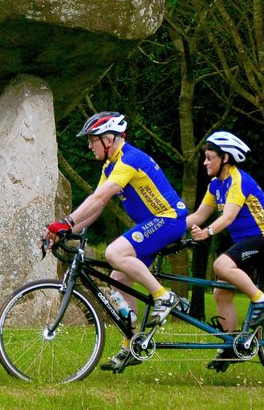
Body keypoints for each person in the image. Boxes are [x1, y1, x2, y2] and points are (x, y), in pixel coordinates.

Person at [43, 111, 189, 371]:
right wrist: (66, 230)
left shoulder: (129, 160)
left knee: (114, 252)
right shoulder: (110, 166)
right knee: (118, 282)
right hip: (154, 223)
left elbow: (99, 199)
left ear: (108, 139)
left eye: (92, 140)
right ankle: (132, 345)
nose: (89, 146)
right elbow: (97, 205)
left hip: (169, 218)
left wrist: (66, 221)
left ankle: (163, 297)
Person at [186, 131, 264, 372]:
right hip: (246, 241)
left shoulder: (238, 180)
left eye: (210, 157)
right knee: (220, 293)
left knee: (221, 265)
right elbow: (199, 215)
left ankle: (260, 300)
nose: (205, 162)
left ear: (225, 158)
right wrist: (167, 230)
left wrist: (208, 233)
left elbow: (228, 216)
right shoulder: (216, 184)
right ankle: (232, 345)